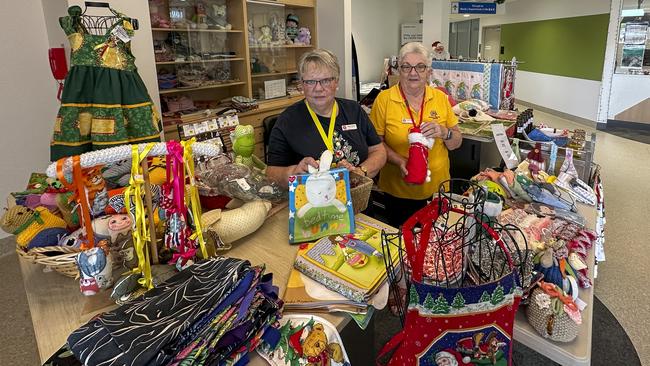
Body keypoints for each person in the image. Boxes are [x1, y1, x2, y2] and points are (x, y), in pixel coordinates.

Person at [370, 42, 462, 228]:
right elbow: (375, 145)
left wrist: (445, 132)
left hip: (437, 190)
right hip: (398, 191)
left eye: (420, 67)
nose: (413, 73)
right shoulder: (384, 100)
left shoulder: (440, 98)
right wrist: (399, 161)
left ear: (429, 71)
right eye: (406, 67)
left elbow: (456, 142)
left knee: (435, 246)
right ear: (399, 70)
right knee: (403, 244)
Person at [266, 49, 386, 185]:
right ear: (301, 84)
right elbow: (271, 173)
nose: (318, 88)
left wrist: (360, 172)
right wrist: (293, 172)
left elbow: (378, 150)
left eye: (325, 80)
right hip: (311, 202)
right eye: (310, 81)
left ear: (336, 82)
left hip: (357, 200)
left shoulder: (354, 110)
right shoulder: (287, 121)